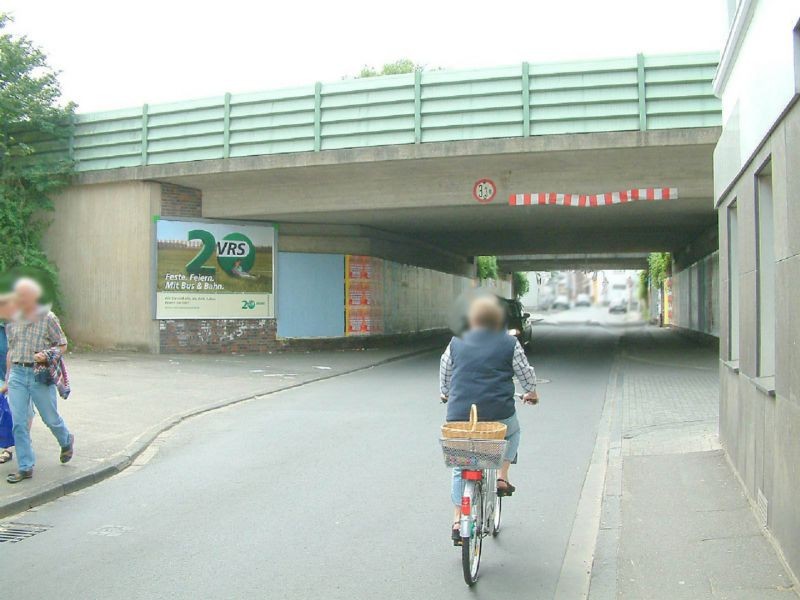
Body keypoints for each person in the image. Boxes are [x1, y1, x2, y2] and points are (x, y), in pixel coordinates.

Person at [439, 295, 539, 543]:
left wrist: (445, 392)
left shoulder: (455, 342)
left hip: (461, 416)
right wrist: (531, 391)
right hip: (498, 415)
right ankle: (503, 477)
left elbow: (445, 371)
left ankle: (456, 521)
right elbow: (525, 372)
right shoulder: (509, 343)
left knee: (461, 460)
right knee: (513, 432)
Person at [1, 278, 74, 484]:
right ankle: (26, 466)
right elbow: (11, 352)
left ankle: (66, 440)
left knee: (50, 418)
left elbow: (62, 345)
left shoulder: (48, 318)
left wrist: (47, 354)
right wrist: (8, 379)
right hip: (17, 374)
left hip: (39, 374)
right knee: (19, 422)